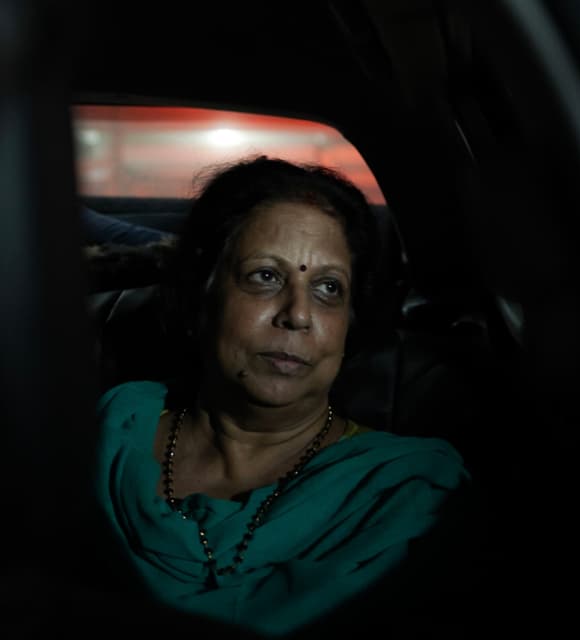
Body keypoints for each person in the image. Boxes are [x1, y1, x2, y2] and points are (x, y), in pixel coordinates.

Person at [94, 156, 471, 636]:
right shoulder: (110, 435)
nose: (297, 314)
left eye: (328, 288)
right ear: (202, 298)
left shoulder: (404, 494)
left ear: (350, 325)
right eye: (265, 277)